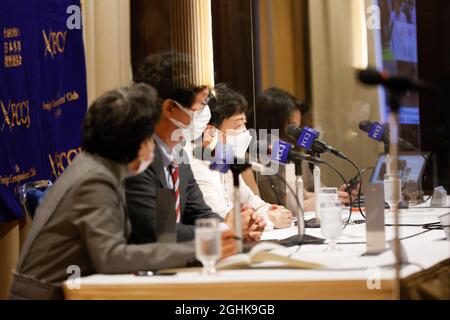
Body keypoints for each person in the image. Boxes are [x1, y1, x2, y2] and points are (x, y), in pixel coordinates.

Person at [9, 84, 237, 300]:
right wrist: (201, 248)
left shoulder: (98, 168)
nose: (153, 146)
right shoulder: (95, 179)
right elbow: (111, 257)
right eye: (149, 137)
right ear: (132, 141)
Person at [126, 52, 265, 245]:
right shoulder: (135, 156)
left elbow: (200, 214)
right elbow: (160, 232)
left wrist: (238, 229)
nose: (204, 116)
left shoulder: (178, 157)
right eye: (200, 106)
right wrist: (227, 230)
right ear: (169, 108)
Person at [191, 84, 293, 230]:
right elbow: (221, 218)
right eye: (238, 125)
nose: (244, 132)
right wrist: (269, 219)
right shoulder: (197, 168)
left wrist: (272, 211)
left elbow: (256, 204)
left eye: (244, 124)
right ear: (211, 131)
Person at [251, 87, 356, 209]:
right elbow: (285, 203)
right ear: (276, 122)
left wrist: (336, 195)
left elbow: (306, 192)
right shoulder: (267, 151)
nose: (298, 132)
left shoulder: (295, 151)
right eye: (294, 127)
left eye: (298, 126)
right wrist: (325, 199)